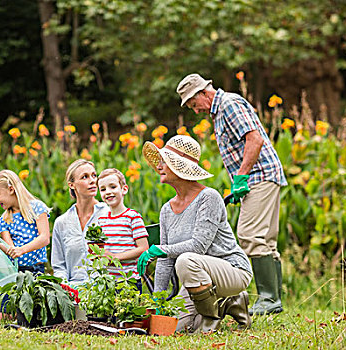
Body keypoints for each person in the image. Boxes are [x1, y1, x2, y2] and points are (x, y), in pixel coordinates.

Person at [176, 73, 287, 315]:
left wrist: (242, 177)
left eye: (195, 105)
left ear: (204, 93)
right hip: (260, 177)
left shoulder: (229, 105)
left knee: (250, 236)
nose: (196, 111)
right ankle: (273, 300)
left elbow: (254, 140)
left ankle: (268, 299)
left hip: (260, 177)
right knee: (266, 240)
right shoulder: (219, 112)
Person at [138, 135, 253, 332]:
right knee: (175, 328)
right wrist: (158, 300)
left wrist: (158, 250)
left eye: (164, 162)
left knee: (185, 260)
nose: (159, 167)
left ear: (180, 167)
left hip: (232, 270)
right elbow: (166, 260)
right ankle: (229, 303)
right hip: (198, 280)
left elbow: (198, 246)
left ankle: (213, 314)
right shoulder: (167, 210)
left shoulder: (209, 198)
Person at [0, 170, 51, 275]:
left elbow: (44, 238)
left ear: (11, 189)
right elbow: (10, 250)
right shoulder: (4, 220)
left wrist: (22, 250)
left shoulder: (37, 208)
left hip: (36, 269)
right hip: (16, 271)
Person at [51, 159, 108, 284]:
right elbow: (59, 266)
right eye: (84, 177)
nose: (92, 180)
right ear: (72, 184)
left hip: (104, 290)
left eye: (94, 175)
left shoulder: (108, 214)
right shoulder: (61, 223)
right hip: (73, 291)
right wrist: (65, 287)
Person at [97, 168, 149, 290]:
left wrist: (116, 257)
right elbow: (101, 249)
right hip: (108, 281)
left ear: (124, 189)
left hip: (128, 280)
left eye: (113, 187)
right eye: (103, 189)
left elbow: (143, 248)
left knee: (128, 309)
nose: (108, 192)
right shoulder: (101, 220)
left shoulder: (132, 217)